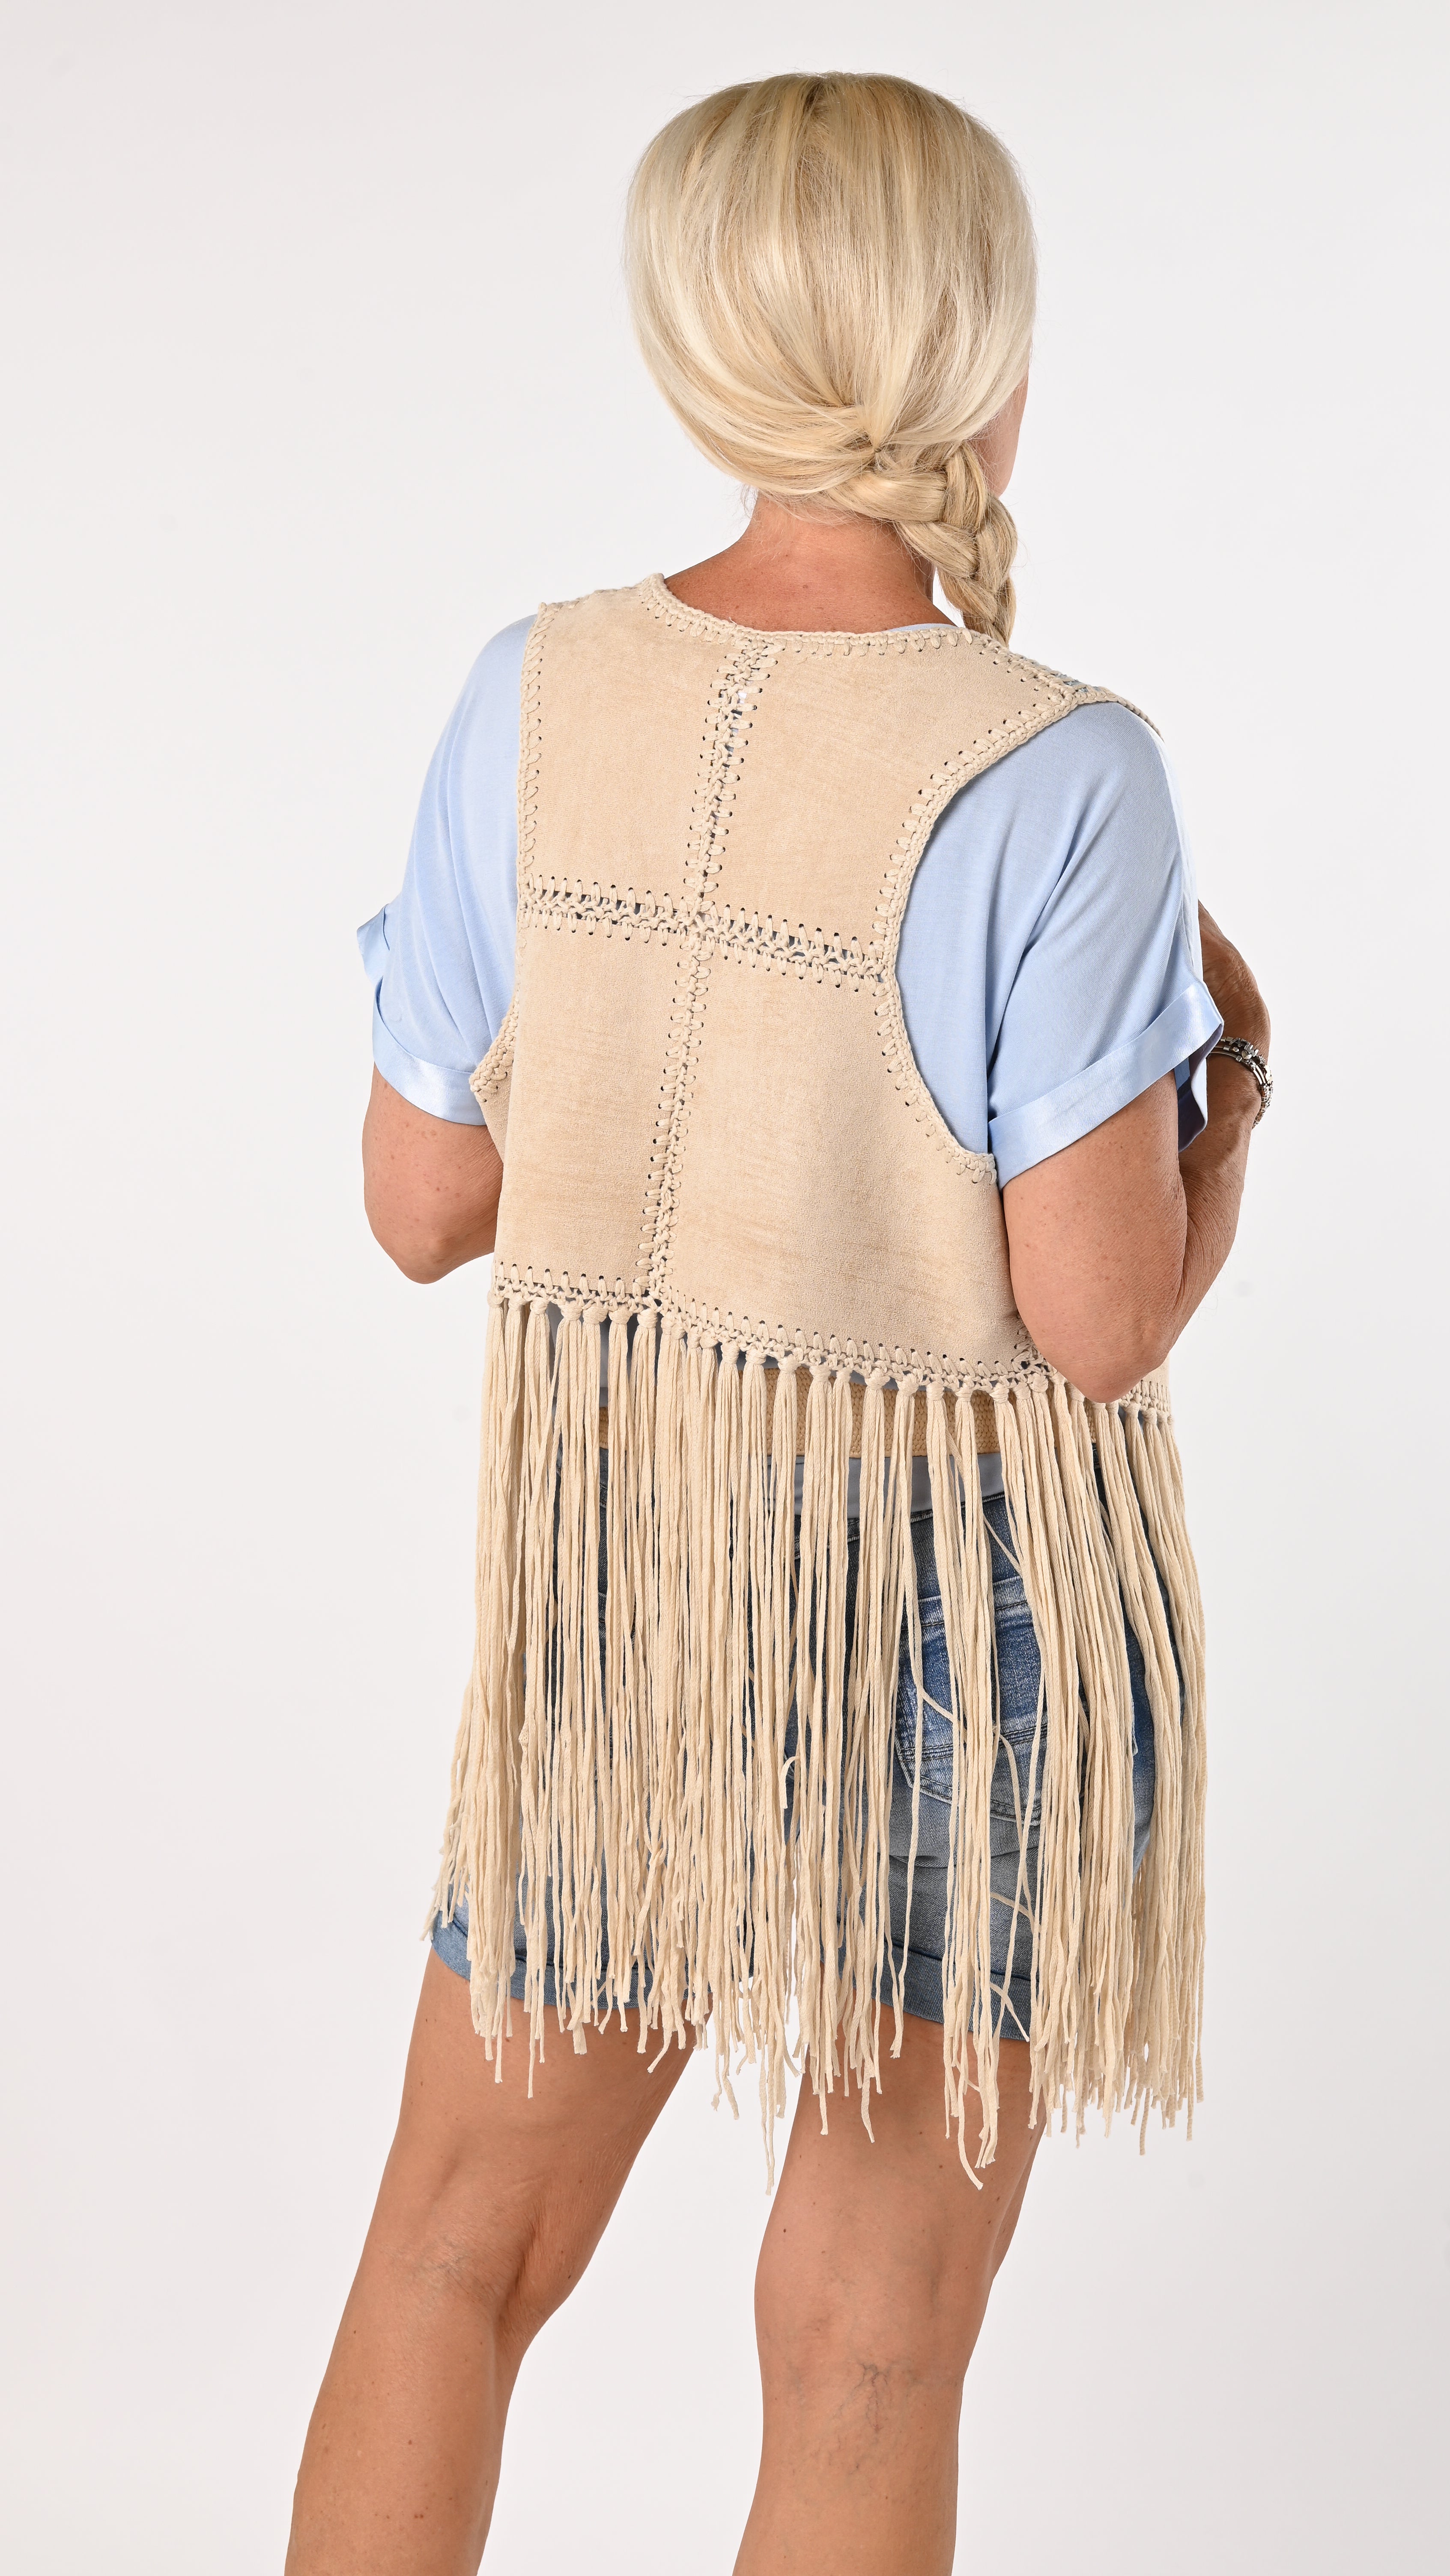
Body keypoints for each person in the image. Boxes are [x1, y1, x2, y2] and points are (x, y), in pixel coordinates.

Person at [286, 70, 1271, 2576]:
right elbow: (1095, 1325)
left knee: (450, 2252)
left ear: (702, 352)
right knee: (865, 2349)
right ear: (983, 354)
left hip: (636, 1573)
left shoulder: (532, 694)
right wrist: (1234, 1102)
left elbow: (421, 1203)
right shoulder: (1066, 771)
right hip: (965, 1604)